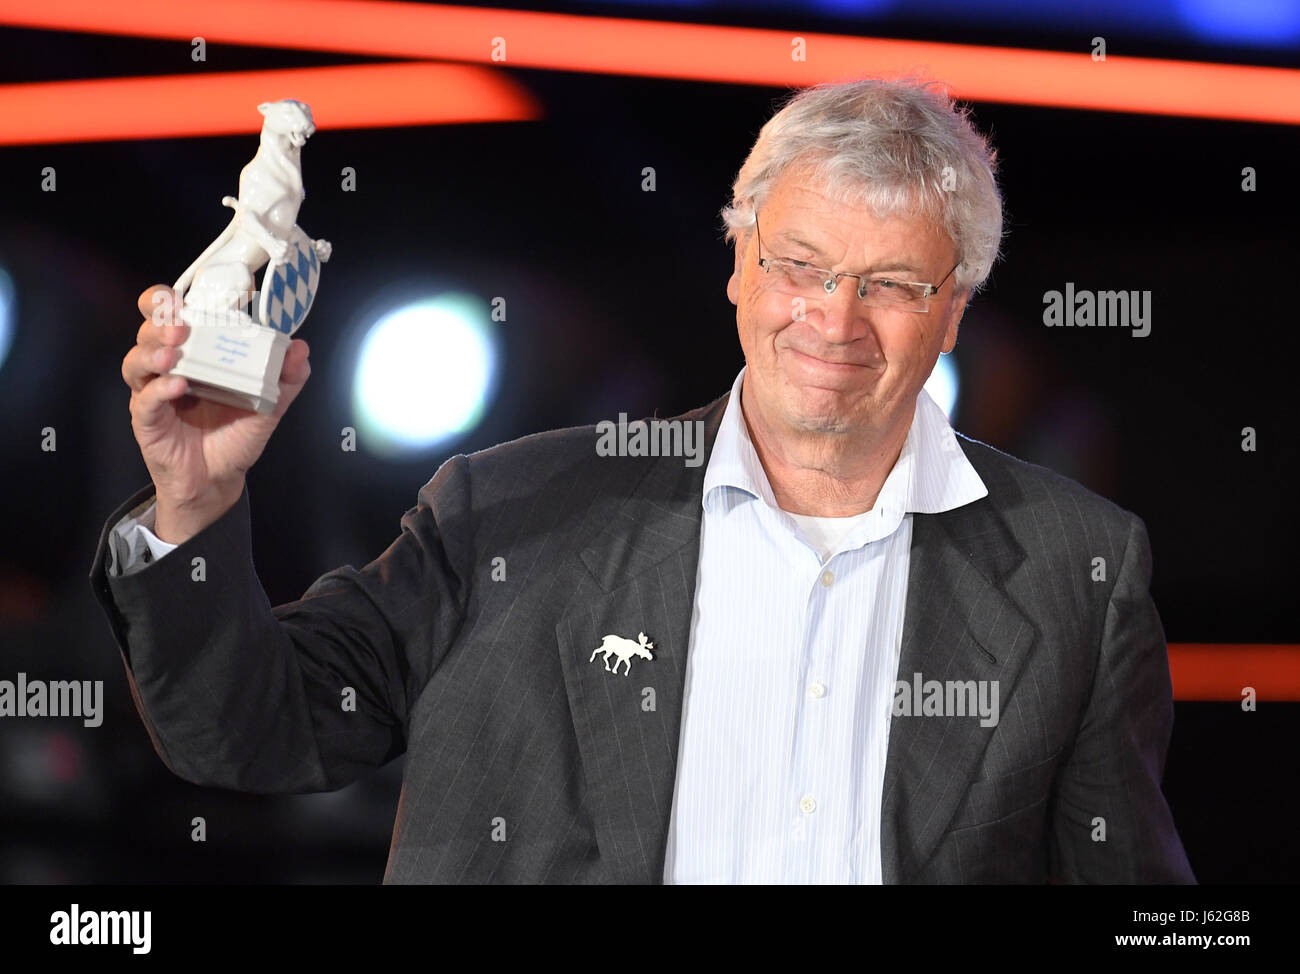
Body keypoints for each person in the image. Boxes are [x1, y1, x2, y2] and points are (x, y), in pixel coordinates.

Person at [91, 77, 1195, 883]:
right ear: (736, 262)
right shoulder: (505, 513)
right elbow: (246, 731)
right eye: (798, 264)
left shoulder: (1076, 570)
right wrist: (195, 502)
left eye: (892, 281)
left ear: (956, 305)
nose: (833, 317)